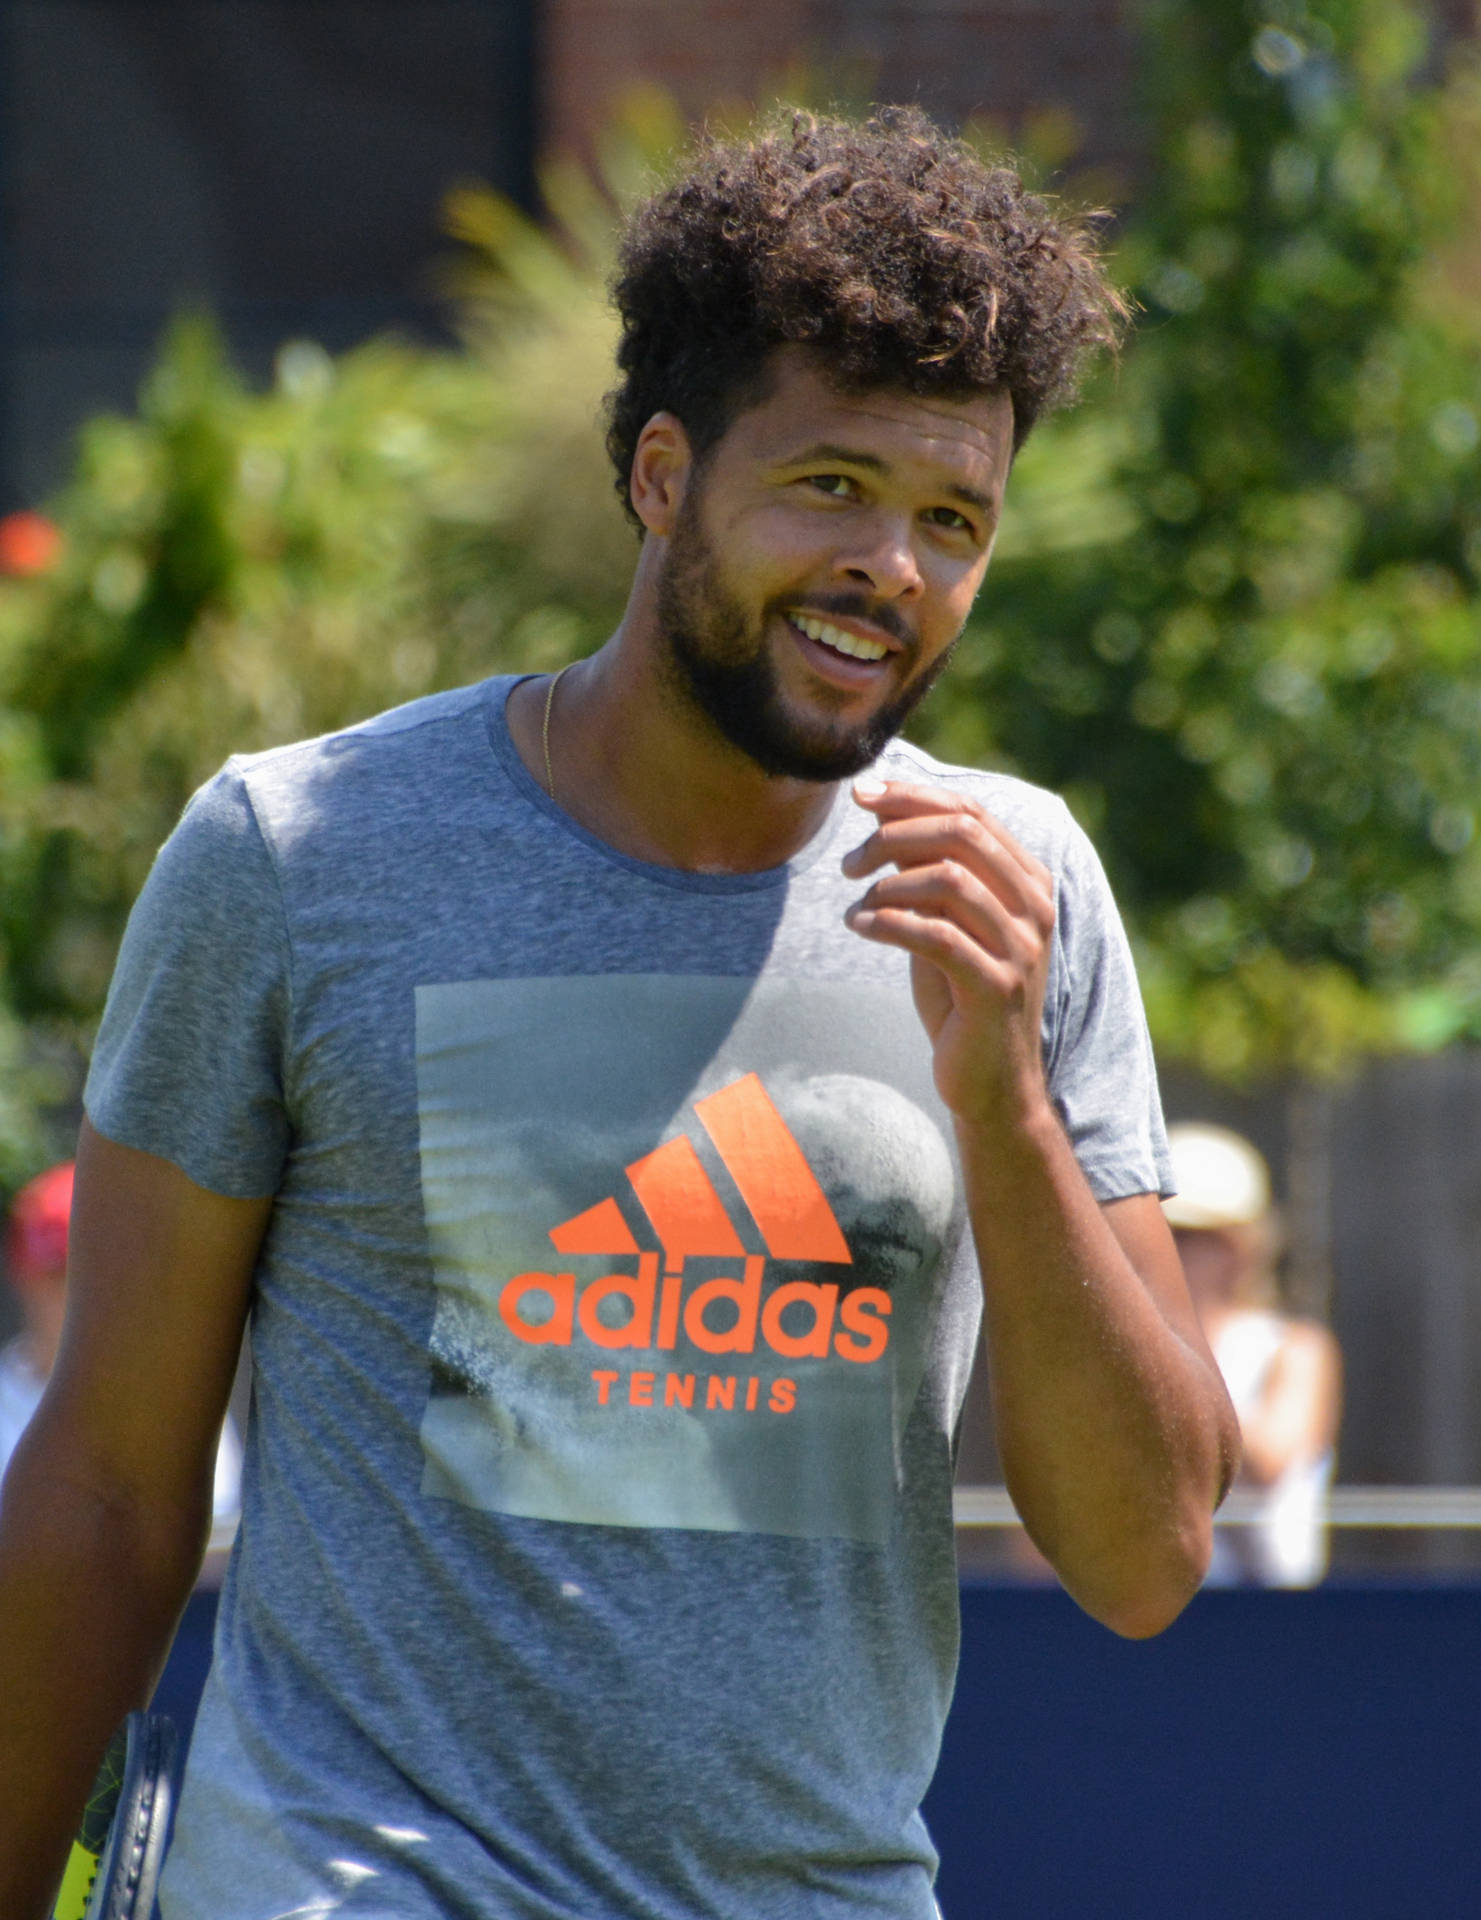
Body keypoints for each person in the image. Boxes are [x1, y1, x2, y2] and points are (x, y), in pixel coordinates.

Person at [0, 106, 1239, 1918]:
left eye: (950, 519)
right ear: (663, 474)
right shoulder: (299, 853)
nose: (893, 568)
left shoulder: (1016, 893)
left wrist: (1006, 1114)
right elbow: (110, 1486)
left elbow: (1143, 1558)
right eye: (829, 485)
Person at [0, 1162, 243, 1526]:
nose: (83, 1298)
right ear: (23, 1276)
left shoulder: (183, 1407)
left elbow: (215, 1549)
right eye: (63, 1274)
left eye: (103, 1277)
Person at [1164, 1122, 1342, 1587]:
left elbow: (1266, 1463)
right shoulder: (1109, 1357)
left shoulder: (1295, 1350)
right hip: (1140, 1622)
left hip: (1265, 1624)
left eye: (1185, 1235)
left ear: (1240, 1246)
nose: (1160, 1249)